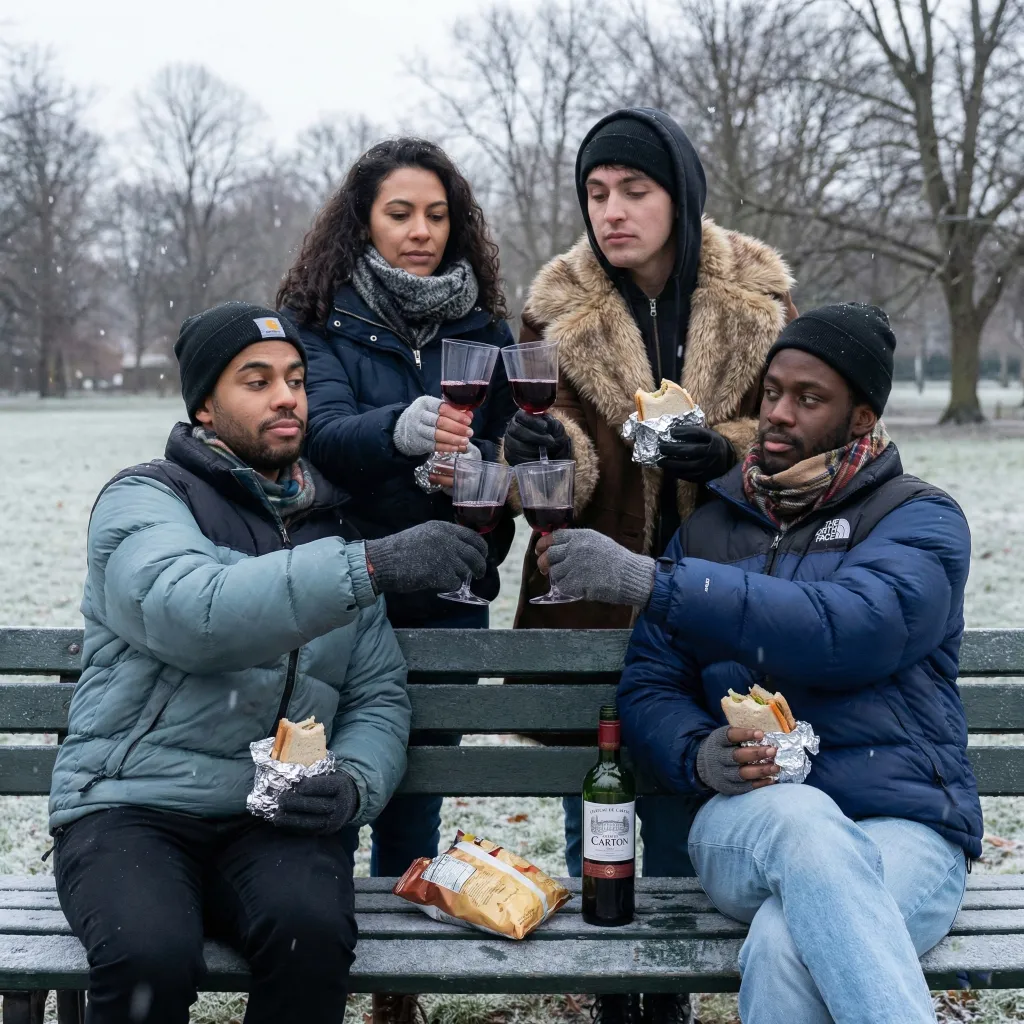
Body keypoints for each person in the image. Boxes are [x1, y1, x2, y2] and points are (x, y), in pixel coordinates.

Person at [537, 304, 983, 1023]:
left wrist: (657, 583)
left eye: (809, 399)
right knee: (802, 821)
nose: (777, 413)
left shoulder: (919, 519)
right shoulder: (711, 527)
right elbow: (650, 684)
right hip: (749, 822)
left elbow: (849, 628)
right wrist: (695, 753)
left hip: (907, 827)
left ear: (862, 417)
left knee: (783, 942)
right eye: (772, 391)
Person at [49, 302, 490, 1024]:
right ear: (204, 406)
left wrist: (350, 783)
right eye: (256, 381)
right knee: (149, 954)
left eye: (294, 378)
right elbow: (196, 615)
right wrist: (369, 564)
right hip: (131, 805)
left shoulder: (330, 526)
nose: (287, 396)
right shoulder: (147, 500)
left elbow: (376, 696)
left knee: (309, 938)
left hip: (272, 814)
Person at [502, 107, 797, 1024]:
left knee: (684, 800)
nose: (613, 211)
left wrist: (735, 456)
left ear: (682, 194)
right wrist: (539, 448)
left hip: (722, 595)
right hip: (587, 594)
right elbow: (562, 467)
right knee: (597, 800)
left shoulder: (762, 303)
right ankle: (613, 991)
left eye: (635, 190)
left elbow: (808, 435)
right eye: (596, 193)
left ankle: (664, 993)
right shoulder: (554, 307)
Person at [277, 136, 517, 1023]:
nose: (422, 231)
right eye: (400, 213)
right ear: (363, 221)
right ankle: (318, 954)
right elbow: (322, 433)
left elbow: (501, 464)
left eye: (438, 215)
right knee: (330, 780)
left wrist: (497, 468)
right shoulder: (320, 318)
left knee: (417, 786)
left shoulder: (485, 330)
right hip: (347, 583)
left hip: (453, 585)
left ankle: (396, 987)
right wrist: (403, 432)